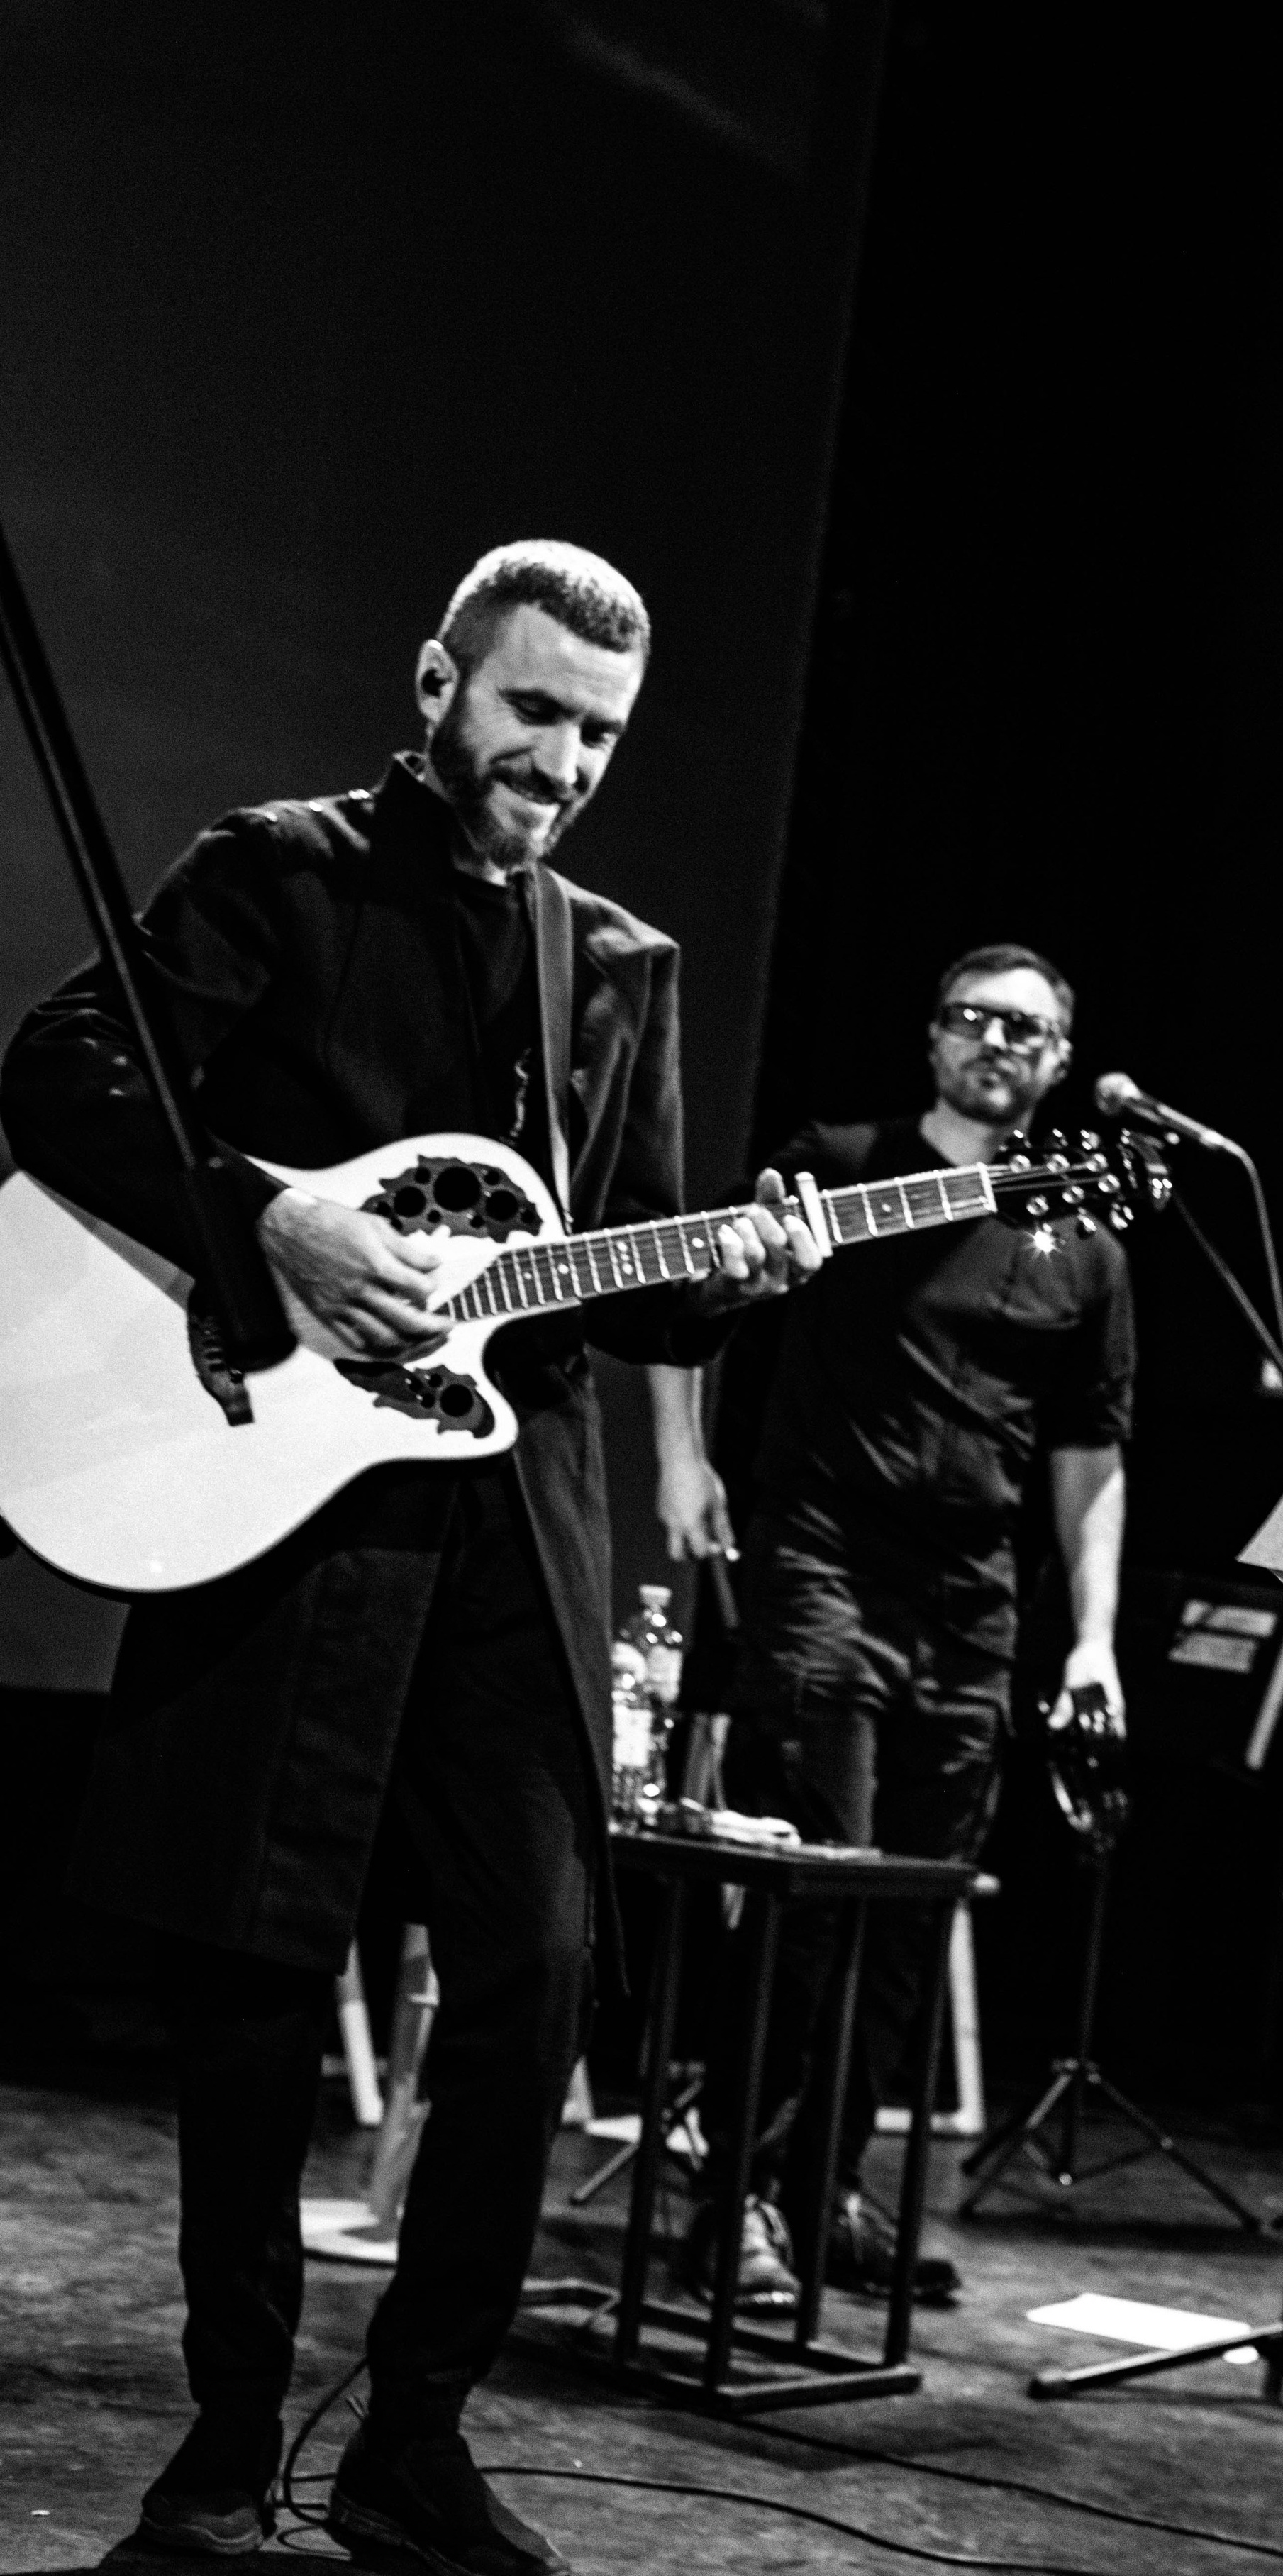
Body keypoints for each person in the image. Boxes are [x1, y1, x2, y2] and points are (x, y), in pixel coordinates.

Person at [0, 540, 821, 2575]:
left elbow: (628, 1269)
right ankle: (222, 2448)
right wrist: (267, 1210)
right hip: (279, 1494)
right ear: (443, 676)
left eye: (602, 736)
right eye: (534, 712)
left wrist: (740, 1271)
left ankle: (415, 2441)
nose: (564, 760)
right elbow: (56, 1071)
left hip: (506, 1528)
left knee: (540, 1966)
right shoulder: (274, 871)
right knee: (253, 1990)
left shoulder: (619, 965)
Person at [658, 943, 1135, 2314]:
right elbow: (699, 1297)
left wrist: (1093, 1641)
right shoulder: (844, 1163)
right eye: (976, 1020)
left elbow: (1091, 1455)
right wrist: (681, 1464)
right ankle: (732, 2198)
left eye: (1030, 1031)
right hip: (823, 1571)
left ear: (1058, 1062)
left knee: (911, 1924)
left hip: (974, 1610)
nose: (1000, 1044)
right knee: (815, 1902)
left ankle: (826, 2198)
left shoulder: (1083, 1232)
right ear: (932, 1038)